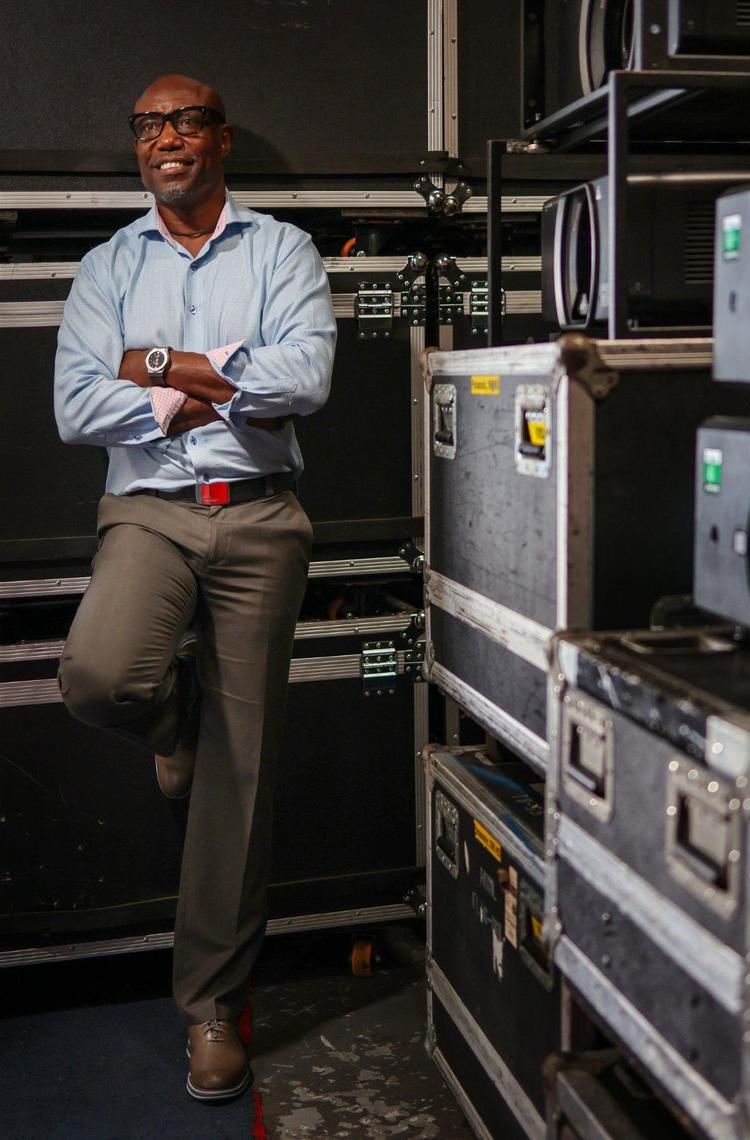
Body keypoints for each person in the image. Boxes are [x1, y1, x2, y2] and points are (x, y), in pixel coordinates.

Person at [54, 74, 336, 1102]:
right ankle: (172, 726)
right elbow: (78, 407)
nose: (164, 139)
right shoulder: (105, 265)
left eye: (184, 121)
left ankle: (213, 1007)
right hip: (151, 511)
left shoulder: (282, 251)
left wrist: (161, 367)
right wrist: (211, 379)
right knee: (99, 675)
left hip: (262, 512)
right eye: (146, 125)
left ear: (218, 138)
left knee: (243, 773)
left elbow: (304, 380)